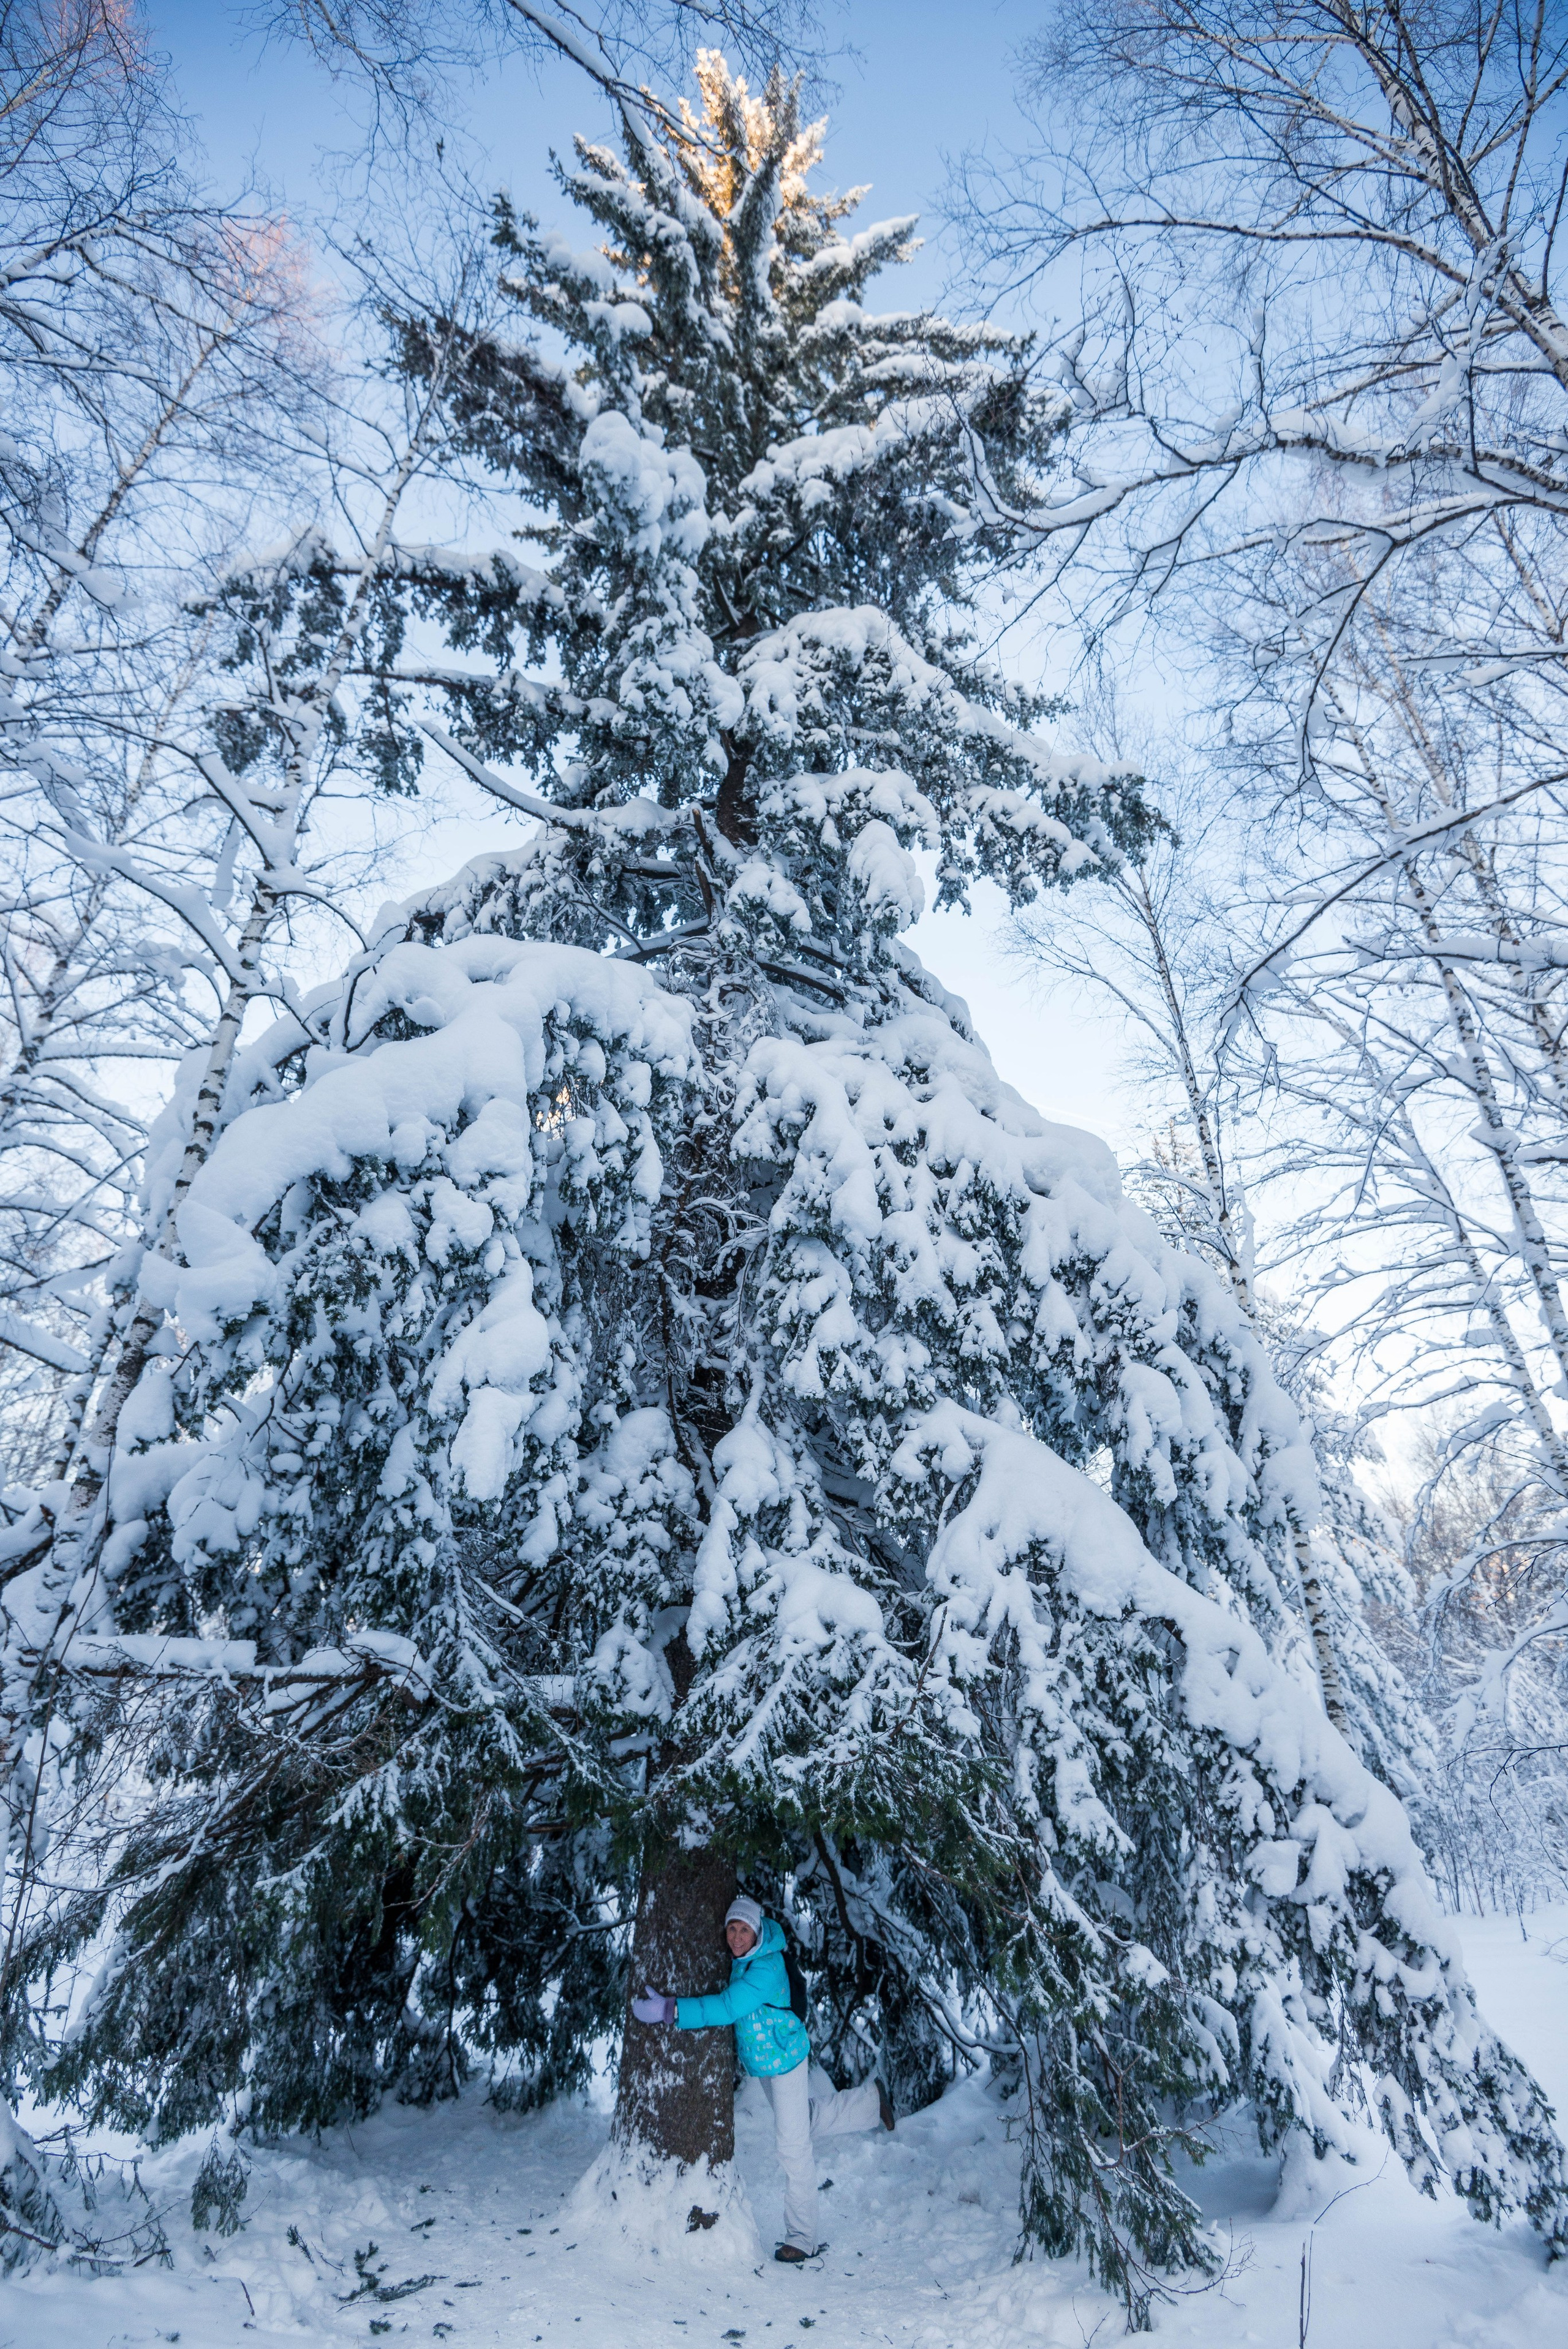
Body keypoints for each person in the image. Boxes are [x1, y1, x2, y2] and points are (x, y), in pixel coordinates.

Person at [631, 1893, 893, 2261]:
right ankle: (871, 2103)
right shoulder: (746, 1958)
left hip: (785, 2059)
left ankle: (802, 2238)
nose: (737, 1937)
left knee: (793, 2147)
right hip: (770, 2060)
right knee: (802, 2122)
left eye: (745, 1930)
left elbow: (727, 2007)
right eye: (732, 1929)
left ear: (757, 1932)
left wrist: (670, 2010)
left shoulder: (766, 1967)